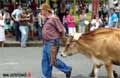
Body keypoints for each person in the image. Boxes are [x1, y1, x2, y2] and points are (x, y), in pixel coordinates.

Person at [40, 4, 72, 78]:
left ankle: (67, 69)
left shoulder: (54, 18)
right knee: (45, 60)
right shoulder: (46, 18)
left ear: (45, 10)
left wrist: (63, 38)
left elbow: (61, 29)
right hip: (46, 42)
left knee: (52, 60)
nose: (41, 11)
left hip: (52, 42)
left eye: (41, 10)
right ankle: (46, 76)